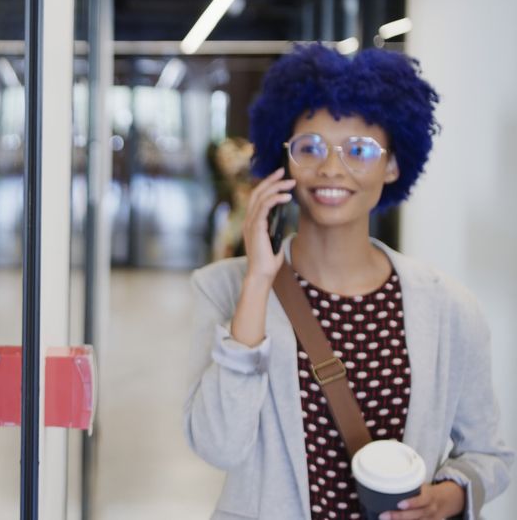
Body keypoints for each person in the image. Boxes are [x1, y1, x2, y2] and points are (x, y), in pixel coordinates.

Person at [183, 44, 513, 520]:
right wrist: (257, 280)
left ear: (393, 165)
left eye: (360, 150)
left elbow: (490, 454)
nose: (332, 169)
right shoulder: (224, 290)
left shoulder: (446, 307)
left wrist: (451, 495)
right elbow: (219, 445)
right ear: (284, 161)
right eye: (310, 148)